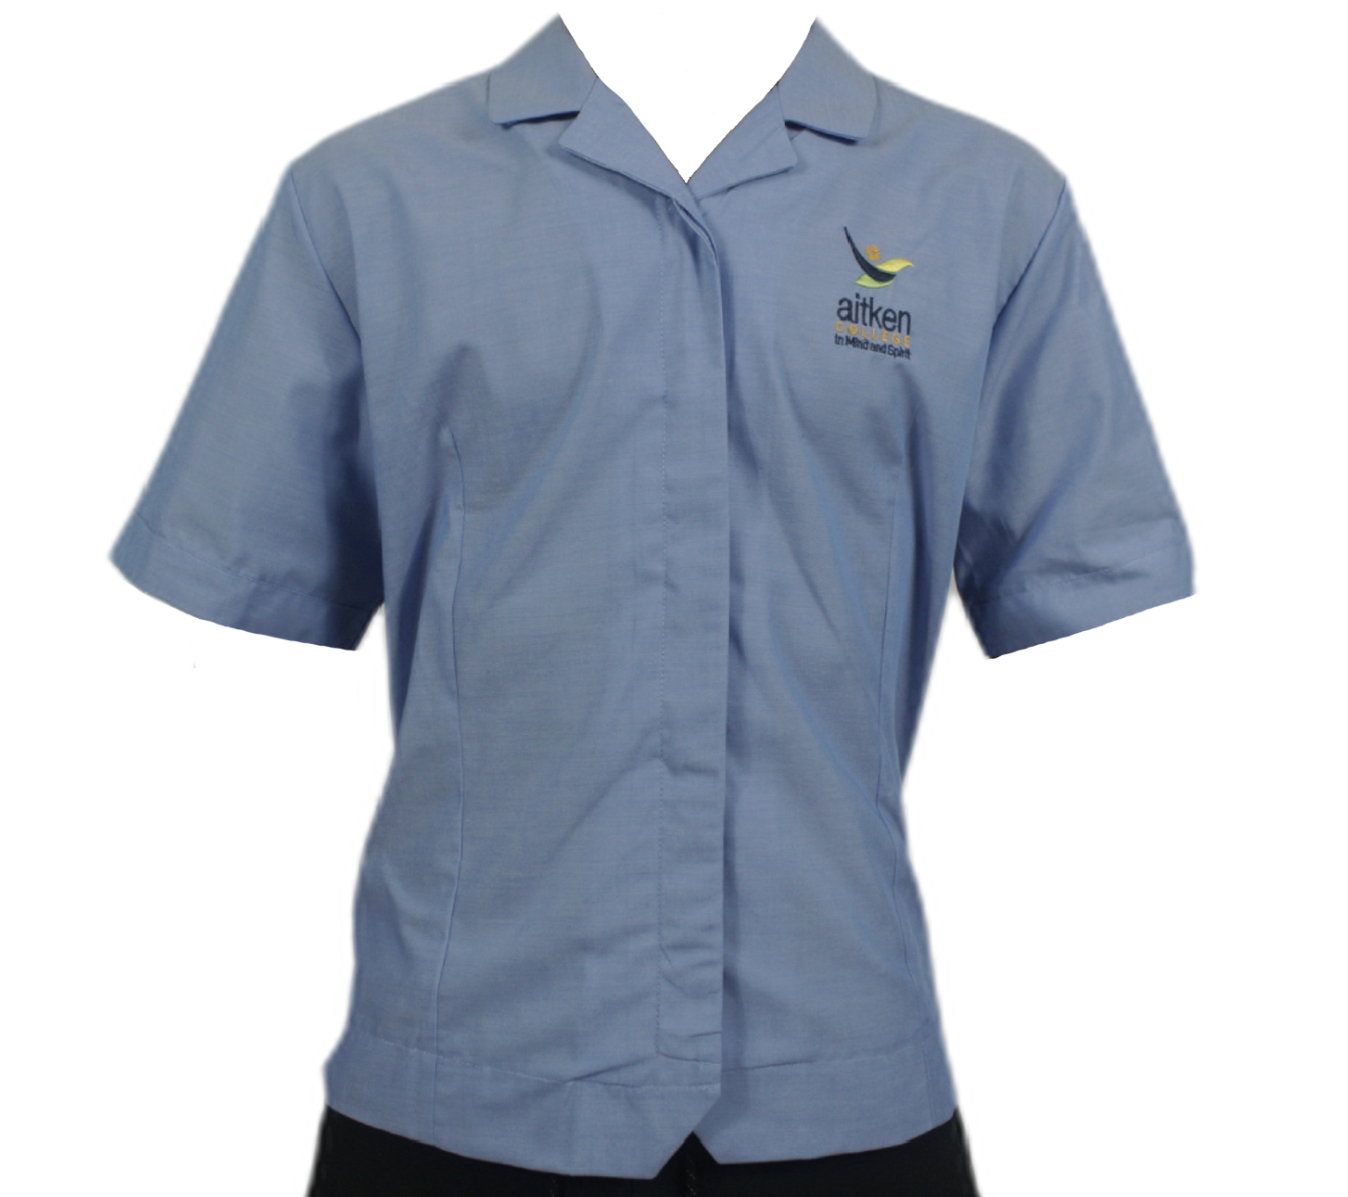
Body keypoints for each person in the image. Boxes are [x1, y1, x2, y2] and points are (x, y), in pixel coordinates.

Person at [110, 11, 1192, 1195]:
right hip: (465, 1083)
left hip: (840, 1080)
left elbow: (1100, 645)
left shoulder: (984, 201)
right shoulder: (368, 198)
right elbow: (221, 647)